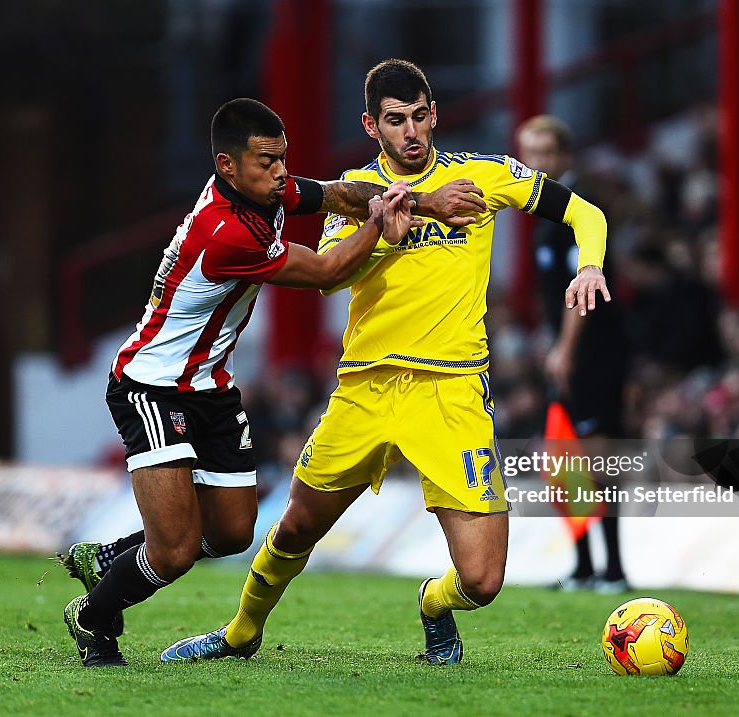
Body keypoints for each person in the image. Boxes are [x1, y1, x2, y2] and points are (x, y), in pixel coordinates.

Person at [159, 59, 611, 666]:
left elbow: (587, 212)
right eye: (395, 121)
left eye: (420, 117)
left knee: (481, 581)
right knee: (295, 528)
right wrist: (384, 236)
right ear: (371, 126)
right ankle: (240, 632)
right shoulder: (354, 193)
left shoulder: (484, 176)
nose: (411, 132)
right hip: (365, 390)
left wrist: (589, 265)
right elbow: (327, 279)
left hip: (451, 394)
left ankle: (433, 602)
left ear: (434, 115)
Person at [60, 97, 480, 668]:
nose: (281, 172)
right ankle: (94, 620)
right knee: (178, 551)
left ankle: (115, 557)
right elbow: (328, 271)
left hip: (210, 386)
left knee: (233, 535)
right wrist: (386, 227)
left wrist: (420, 199)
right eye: (266, 162)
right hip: (152, 386)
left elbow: (338, 193)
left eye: (283, 158)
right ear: (228, 167)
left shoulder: (265, 188)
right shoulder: (227, 232)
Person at [515, 115, 629, 593]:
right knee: (565, 462)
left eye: (545, 153)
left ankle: (615, 570)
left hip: (595, 355)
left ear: (564, 156)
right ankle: (584, 566)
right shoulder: (548, 219)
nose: (536, 163)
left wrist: (564, 349)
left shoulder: (581, 212)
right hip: (569, 352)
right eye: (529, 152)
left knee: (597, 460)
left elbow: (583, 288)